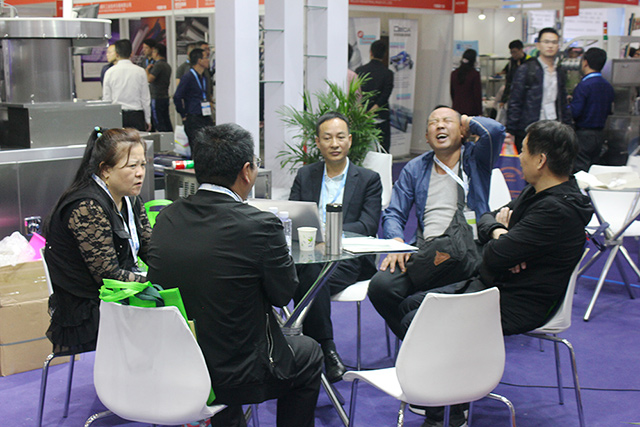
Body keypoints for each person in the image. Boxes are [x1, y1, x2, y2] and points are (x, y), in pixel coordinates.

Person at [147, 123, 323, 427]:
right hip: (236, 371)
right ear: (246, 172)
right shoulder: (261, 225)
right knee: (309, 354)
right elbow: (283, 295)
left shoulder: (167, 217)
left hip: (176, 361)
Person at [367, 107, 504, 338]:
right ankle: (416, 340)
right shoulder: (415, 168)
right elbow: (393, 212)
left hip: (471, 251)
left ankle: (428, 339)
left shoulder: (476, 159)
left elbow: (495, 130)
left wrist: (466, 120)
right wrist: (396, 241)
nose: (440, 125)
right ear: (427, 138)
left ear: (462, 132)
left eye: (447, 121)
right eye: (433, 122)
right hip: (429, 252)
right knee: (382, 286)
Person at [289, 112, 382, 383]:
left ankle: (314, 349)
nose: (334, 143)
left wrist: (328, 234)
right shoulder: (306, 175)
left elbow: (367, 225)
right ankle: (324, 351)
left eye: (340, 137)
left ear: (349, 140)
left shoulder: (368, 179)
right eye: (327, 138)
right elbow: (294, 214)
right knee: (308, 273)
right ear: (318, 142)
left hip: (349, 258)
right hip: (308, 255)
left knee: (306, 278)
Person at [43, 127, 151, 355]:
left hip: (118, 295)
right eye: (132, 166)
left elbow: (151, 248)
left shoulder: (130, 198)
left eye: (143, 164)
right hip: (88, 308)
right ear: (105, 170)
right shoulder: (87, 206)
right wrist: (153, 280)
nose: (140, 173)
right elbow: (107, 275)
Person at [507, 28, 571, 152]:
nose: (550, 46)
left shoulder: (560, 72)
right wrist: (511, 129)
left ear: (558, 46)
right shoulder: (526, 69)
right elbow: (515, 100)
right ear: (538, 45)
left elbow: (563, 102)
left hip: (553, 128)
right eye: (546, 42)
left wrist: (567, 126)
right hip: (530, 127)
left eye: (554, 42)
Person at [569, 47, 614, 173]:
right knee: (593, 169)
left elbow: (575, 112)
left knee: (580, 170)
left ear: (585, 62)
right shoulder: (608, 86)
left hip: (584, 134)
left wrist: (567, 106)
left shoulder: (584, 86)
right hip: (600, 134)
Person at [103, 39, 151, 132]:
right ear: (131, 54)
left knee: (119, 141)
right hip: (137, 115)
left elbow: (107, 99)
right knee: (137, 140)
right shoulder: (140, 71)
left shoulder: (110, 72)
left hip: (117, 115)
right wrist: (148, 119)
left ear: (117, 54)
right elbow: (145, 98)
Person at [173, 47, 214, 155]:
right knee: (196, 147)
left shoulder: (204, 76)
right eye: (206, 58)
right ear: (199, 60)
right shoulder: (188, 77)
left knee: (209, 143)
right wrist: (183, 114)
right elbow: (177, 96)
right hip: (193, 116)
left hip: (205, 115)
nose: (208, 60)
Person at [356, 39, 394, 152]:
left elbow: (356, 94)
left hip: (361, 116)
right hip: (380, 115)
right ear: (384, 54)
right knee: (382, 149)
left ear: (371, 52)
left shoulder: (359, 71)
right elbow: (385, 95)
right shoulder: (388, 73)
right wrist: (372, 111)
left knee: (362, 149)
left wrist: (364, 112)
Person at [146, 43, 173, 132]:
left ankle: (162, 137)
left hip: (156, 96)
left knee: (158, 120)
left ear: (157, 53)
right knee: (166, 120)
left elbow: (149, 79)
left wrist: (147, 70)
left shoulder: (158, 65)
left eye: (153, 52)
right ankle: (169, 137)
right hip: (164, 95)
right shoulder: (167, 65)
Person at [450, 48, 482, 116]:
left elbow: (452, 92)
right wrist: (480, 112)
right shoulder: (475, 74)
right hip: (471, 110)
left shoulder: (454, 73)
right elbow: (477, 95)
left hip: (457, 108)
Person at [499, 40, 530, 106]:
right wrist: (503, 100)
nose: (513, 55)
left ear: (521, 50)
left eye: (515, 52)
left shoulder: (530, 62)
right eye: (511, 52)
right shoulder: (512, 62)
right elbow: (509, 82)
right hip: (514, 96)